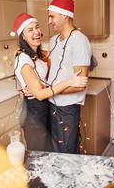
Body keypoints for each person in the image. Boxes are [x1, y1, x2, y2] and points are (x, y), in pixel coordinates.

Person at [11, 12, 88, 152]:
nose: (36, 32)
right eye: (30, 30)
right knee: (38, 155)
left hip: (47, 108)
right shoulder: (23, 59)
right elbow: (39, 94)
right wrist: (70, 81)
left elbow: (57, 61)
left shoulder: (41, 55)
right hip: (33, 114)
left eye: (37, 27)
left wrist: (25, 84)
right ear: (23, 36)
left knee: (51, 152)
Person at [47, 0, 92, 154]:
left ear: (64, 15)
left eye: (52, 16)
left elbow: (79, 85)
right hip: (51, 104)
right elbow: (52, 70)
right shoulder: (54, 40)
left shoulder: (79, 41)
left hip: (67, 108)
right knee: (55, 149)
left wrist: (48, 91)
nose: (49, 21)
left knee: (67, 151)